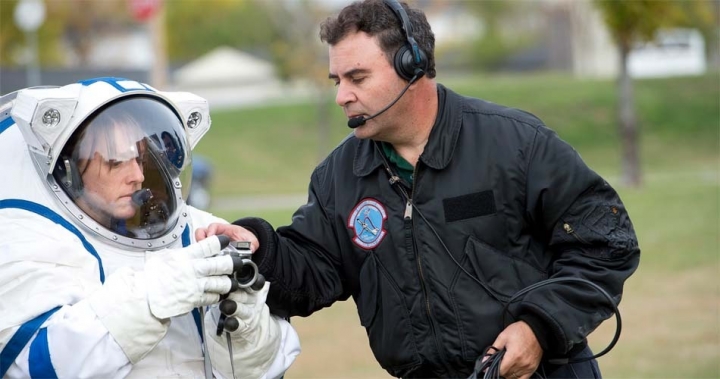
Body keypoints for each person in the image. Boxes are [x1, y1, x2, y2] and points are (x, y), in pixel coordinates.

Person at [200, 0, 641, 378]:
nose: (342, 97)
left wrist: (539, 328)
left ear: (412, 67)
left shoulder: (517, 145)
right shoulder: (338, 176)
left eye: (358, 78)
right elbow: (312, 274)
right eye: (338, 82)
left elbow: (606, 244)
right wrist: (258, 247)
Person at [0, 77, 300, 378]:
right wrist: (151, 298)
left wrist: (244, 327)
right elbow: (31, 366)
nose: (137, 176)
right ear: (69, 170)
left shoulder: (200, 231)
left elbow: (269, 369)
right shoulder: (33, 242)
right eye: (116, 162)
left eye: (140, 159)